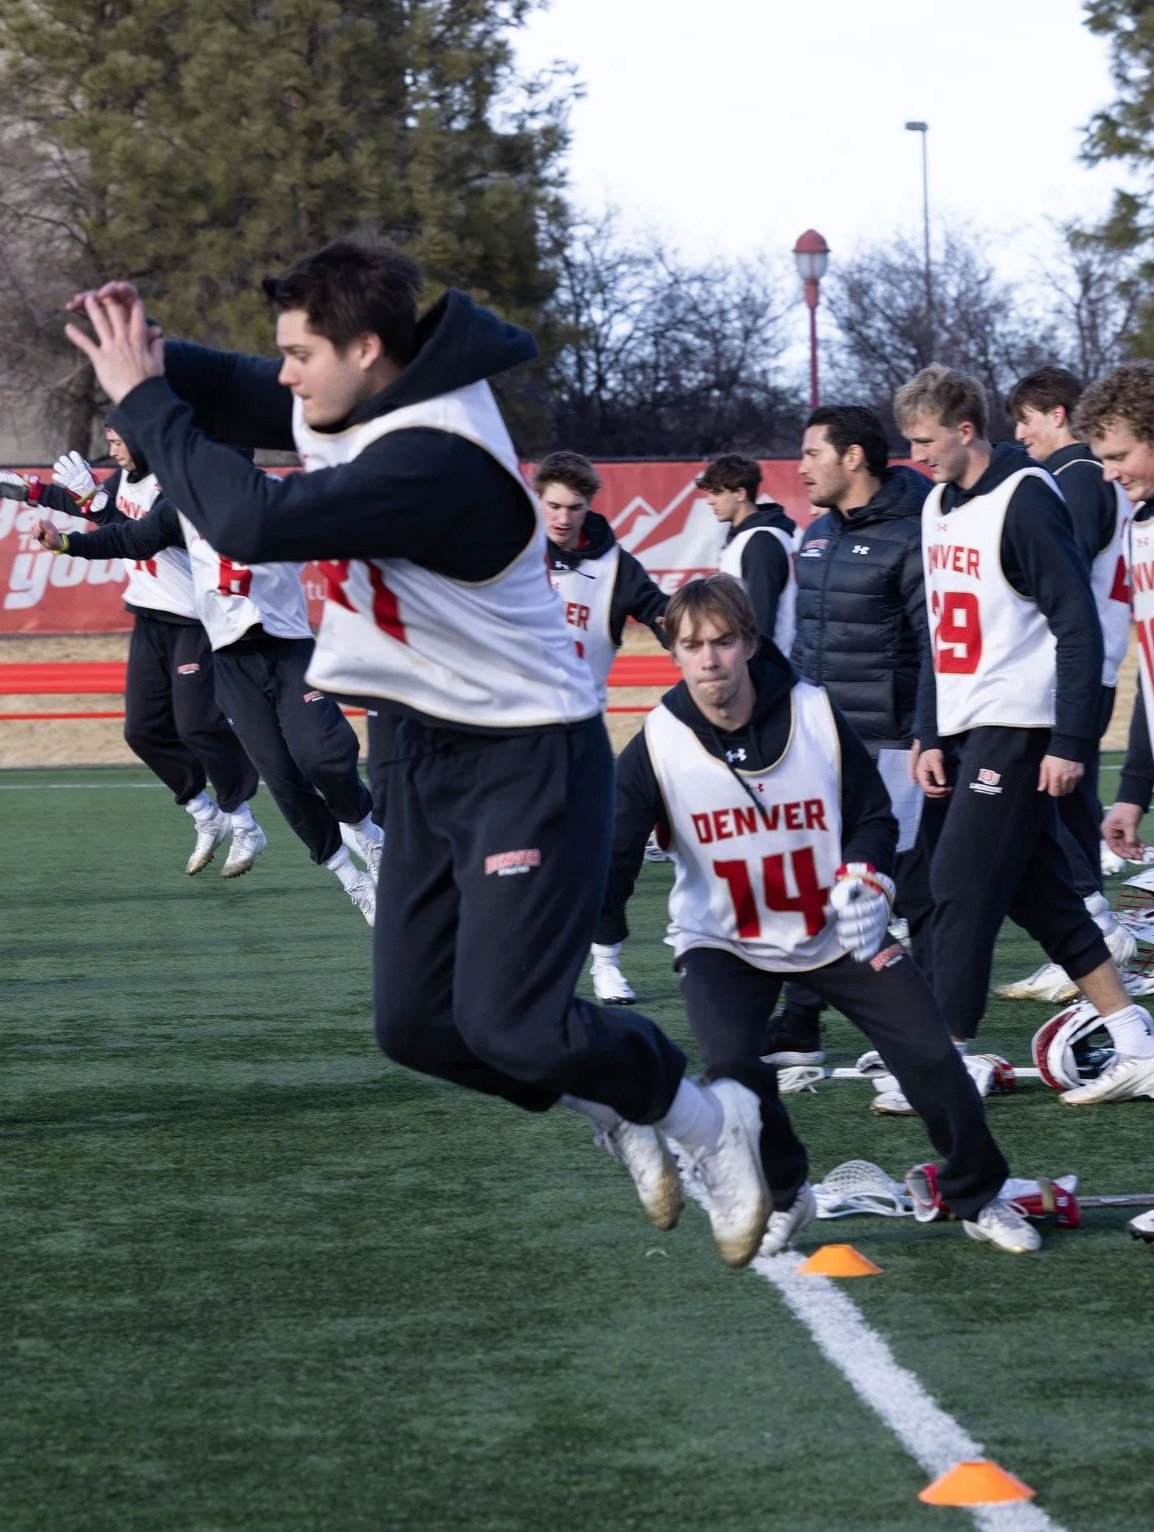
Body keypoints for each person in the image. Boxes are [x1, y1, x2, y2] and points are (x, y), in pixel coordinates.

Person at [60, 237, 772, 1261]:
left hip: (522, 754)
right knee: (416, 1027)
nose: (286, 377)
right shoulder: (364, 395)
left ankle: (708, 1120)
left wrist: (142, 399)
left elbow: (251, 519)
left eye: (301, 354)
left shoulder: (437, 453)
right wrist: (148, 353)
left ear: (368, 350)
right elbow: (235, 386)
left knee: (514, 1023)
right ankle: (606, 1100)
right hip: (416, 741)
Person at [597, 574, 1036, 1254]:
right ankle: (786, 1193)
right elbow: (616, 855)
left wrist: (867, 876)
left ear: (749, 643)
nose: (710, 659)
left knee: (930, 1053)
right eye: (693, 646)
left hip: (838, 927)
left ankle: (976, 1191)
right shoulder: (655, 743)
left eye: (722, 641)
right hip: (724, 939)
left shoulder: (814, 713)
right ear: (673, 653)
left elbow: (874, 817)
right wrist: (590, 929)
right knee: (733, 1070)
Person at [896, 365, 1154, 1106]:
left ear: (964, 429)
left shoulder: (1025, 496)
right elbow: (938, 632)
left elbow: (1076, 622)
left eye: (925, 440)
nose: (916, 456)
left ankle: (946, 1059)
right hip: (967, 726)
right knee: (1041, 895)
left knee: (957, 884)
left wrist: (1070, 740)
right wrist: (928, 731)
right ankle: (1136, 1039)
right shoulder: (937, 505)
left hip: (1019, 724)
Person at [38, 475, 384, 922]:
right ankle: (352, 880)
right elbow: (133, 538)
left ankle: (367, 832)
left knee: (323, 755)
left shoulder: (278, 493)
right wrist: (67, 543)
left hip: (288, 648)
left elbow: (338, 528)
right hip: (232, 662)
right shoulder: (184, 501)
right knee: (281, 778)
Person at [0, 429, 265, 877]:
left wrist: (91, 507)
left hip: (194, 619)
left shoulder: (178, 484)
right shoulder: (127, 478)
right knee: (142, 731)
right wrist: (30, 492)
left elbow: (139, 537)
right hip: (149, 616)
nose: (112, 451)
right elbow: (88, 503)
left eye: (118, 442)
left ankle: (244, 822)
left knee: (196, 725)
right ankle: (204, 813)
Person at [765, 404, 933, 1066]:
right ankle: (800, 1025)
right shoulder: (815, 534)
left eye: (813, 453)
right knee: (816, 883)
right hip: (822, 743)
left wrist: (927, 733)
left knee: (901, 891)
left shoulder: (914, 530)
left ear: (854, 456)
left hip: (893, 744)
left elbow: (932, 645)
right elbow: (805, 643)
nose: (801, 467)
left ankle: (926, 1032)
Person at [999, 364, 1136, 998]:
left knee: (1043, 803)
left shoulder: (1078, 475)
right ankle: (1088, 934)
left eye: (1026, 419)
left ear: (1058, 415)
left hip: (1075, 665)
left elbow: (1058, 576)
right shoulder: (1081, 474)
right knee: (1064, 805)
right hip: (1088, 662)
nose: (1019, 433)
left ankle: (1093, 929)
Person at [532, 448, 670, 1008]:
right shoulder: (510, 552)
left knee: (604, 854)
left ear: (589, 506)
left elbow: (663, 614)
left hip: (580, 735)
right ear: (538, 501)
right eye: (553, 505)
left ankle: (605, 962)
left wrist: (695, 636)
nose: (563, 517)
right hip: (508, 734)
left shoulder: (615, 567)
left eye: (574, 507)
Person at [1073, 363, 1154, 1143]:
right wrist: (1132, 787)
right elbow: (1153, 674)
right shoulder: (1138, 525)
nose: (1109, 472)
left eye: (1119, 454)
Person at [695, 454, 798, 651]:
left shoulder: (761, 541)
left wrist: (755, 666)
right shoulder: (748, 536)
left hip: (768, 663)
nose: (709, 501)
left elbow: (761, 622)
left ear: (741, 494)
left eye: (716, 492)